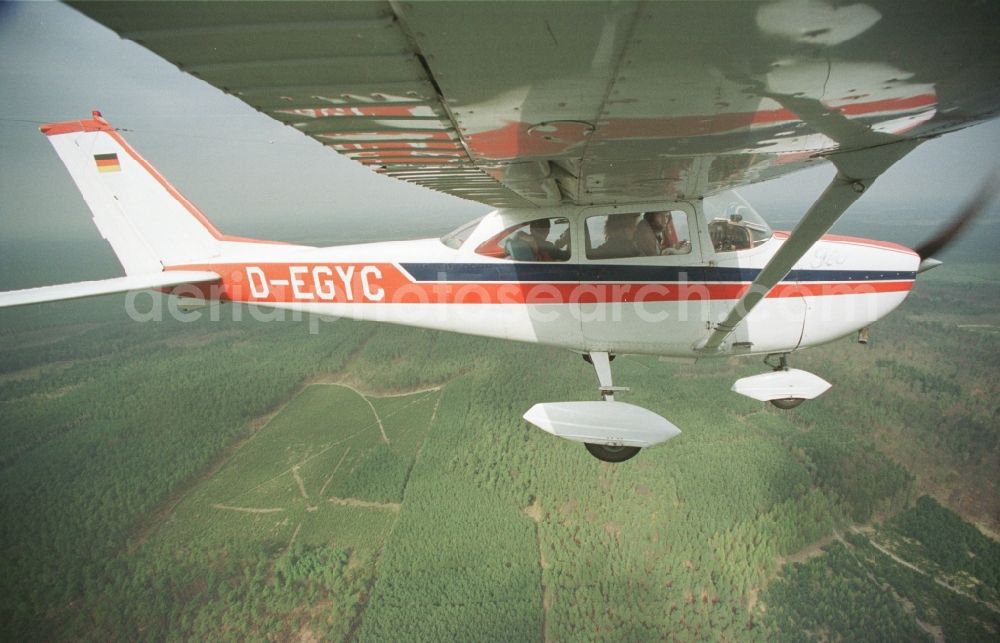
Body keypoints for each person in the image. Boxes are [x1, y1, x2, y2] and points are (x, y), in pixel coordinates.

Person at [504, 218, 570, 261]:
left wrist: (567, 241)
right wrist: (518, 235)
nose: (541, 235)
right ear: (531, 230)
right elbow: (566, 256)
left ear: (548, 231)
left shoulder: (547, 245)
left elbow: (565, 255)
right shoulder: (522, 245)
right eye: (538, 231)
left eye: (544, 231)